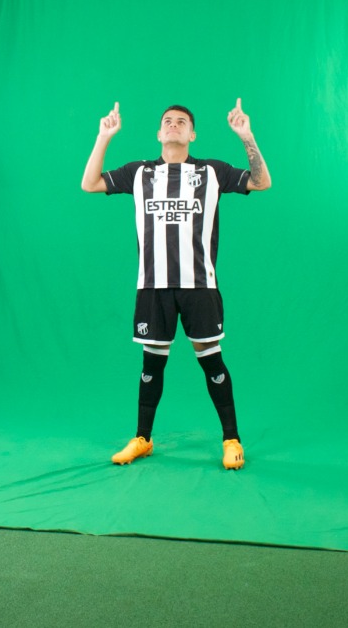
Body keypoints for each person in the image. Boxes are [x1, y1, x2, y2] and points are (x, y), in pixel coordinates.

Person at [81, 100, 271, 470]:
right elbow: (89, 184)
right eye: (167, 121)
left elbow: (262, 182)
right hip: (152, 285)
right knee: (151, 362)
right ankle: (142, 438)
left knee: (211, 358)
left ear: (192, 134)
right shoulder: (139, 172)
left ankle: (232, 440)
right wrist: (104, 137)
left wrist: (246, 135)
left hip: (199, 284)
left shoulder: (211, 171)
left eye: (181, 121)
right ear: (158, 133)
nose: (173, 125)